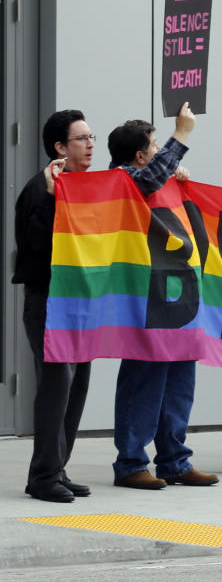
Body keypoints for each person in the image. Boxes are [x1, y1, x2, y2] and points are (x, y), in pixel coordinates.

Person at [109, 104, 219, 490]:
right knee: (145, 380)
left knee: (179, 382)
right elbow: (147, 179)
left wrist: (174, 169)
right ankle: (131, 462)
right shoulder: (121, 179)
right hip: (147, 297)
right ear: (139, 155)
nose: (160, 153)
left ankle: (174, 459)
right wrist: (182, 135)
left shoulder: (155, 175)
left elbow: (158, 176)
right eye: (155, 146)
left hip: (179, 293)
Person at [15, 110, 95, 503]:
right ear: (60, 148)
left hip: (80, 303)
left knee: (77, 385)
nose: (90, 144)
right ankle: (43, 475)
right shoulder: (40, 188)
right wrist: (48, 198)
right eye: (81, 138)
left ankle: (57, 468)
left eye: (91, 137)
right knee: (56, 385)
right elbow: (34, 247)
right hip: (48, 301)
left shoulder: (85, 188)